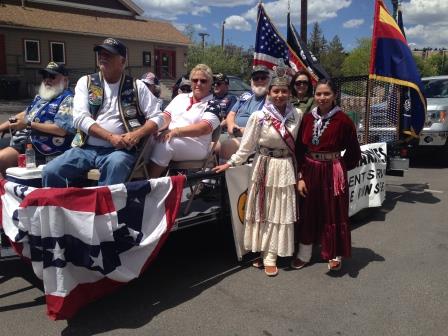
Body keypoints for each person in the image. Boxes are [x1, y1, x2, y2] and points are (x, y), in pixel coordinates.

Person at [213, 69, 303, 277]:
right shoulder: (259, 116)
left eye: (284, 91)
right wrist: (232, 163)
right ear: (270, 93)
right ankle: (264, 251)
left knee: (279, 212)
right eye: (276, 91)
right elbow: (246, 146)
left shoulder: (297, 115)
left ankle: (272, 254)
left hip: (285, 166)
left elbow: (300, 145)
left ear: (289, 93)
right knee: (263, 210)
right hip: (264, 165)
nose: (280, 95)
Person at [42, 38, 163, 187]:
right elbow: (79, 118)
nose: (102, 57)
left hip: (119, 151)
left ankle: (106, 210)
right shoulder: (86, 82)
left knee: (116, 165)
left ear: (122, 61)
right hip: (85, 148)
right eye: (100, 53)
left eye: (109, 54)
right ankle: (58, 209)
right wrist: (110, 137)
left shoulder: (137, 86)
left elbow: (158, 117)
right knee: (51, 171)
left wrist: (136, 134)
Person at [291, 79, 361, 272]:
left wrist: (339, 168)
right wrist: (301, 177)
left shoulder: (343, 121)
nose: (322, 98)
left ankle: (334, 252)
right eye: (319, 94)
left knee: (333, 212)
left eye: (326, 94)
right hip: (310, 169)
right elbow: (299, 150)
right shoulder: (307, 119)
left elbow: (355, 153)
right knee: (308, 211)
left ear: (334, 96)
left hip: (333, 171)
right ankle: (304, 253)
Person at [0, 61, 75, 177]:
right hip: (26, 142)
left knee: (1, 158)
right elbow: (24, 115)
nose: (47, 80)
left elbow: (61, 129)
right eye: (45, 76)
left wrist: (29, 125)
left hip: (46, 148)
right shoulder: (41, 97)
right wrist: (1, 127)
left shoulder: (67, 99)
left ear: (65, 80)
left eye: (52, 76)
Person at [145, 64, 220, 178]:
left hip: (197, 144)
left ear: (210, 84)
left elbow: (203, 128)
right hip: (174, 137)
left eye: (203, 81)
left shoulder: (213, 104)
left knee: (166, 143)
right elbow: (165, 117)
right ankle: (137, 181)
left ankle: (148, 185)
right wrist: (154, 128)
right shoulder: (180, 98)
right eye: (195, 80)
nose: (198, 83)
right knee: (145, 139)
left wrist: (175, 132)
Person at [220, 65, 270, 160]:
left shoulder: (271, 100)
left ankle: (224, 175)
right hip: (232, 133)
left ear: (269, 80)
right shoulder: (245, 97)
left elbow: (265, 124)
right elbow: (231, 114)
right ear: (251, 81)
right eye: (255, 78)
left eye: (263, 78)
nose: (259, 81)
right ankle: (209, 173)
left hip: (252, 140)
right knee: (210, 144)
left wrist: (241, 131)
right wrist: (231, 127)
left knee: (227, 146)